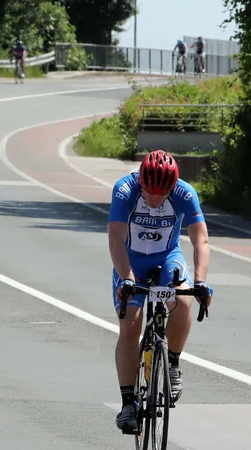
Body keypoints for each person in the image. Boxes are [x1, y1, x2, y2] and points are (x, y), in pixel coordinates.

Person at [110, 150, 213, 433]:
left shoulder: (185, 193)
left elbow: (200, 239)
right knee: (130, 321)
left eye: (162, 193)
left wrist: (201, 282)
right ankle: (128, 403)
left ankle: (173, 363)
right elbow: (116, 238)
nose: (155, 199)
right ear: (140, 181)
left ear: (173, 186)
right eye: (149, 192)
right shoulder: (125, 190)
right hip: (131, 261)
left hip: (167, 258)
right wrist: (126, 278)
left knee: (182, 299)